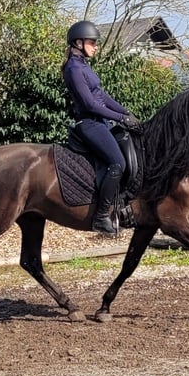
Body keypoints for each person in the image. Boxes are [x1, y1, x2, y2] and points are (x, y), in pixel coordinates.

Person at [62, 20, 142, 234]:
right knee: (117, 162)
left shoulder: (84, 66)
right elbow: (90, 104)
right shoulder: (73, 69)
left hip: (101, 123)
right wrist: (120, 118)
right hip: (89, 123)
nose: (96, 46)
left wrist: (125, 112)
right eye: (92, 42)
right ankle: (101, 216)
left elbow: (102, 96)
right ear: (78, 42)